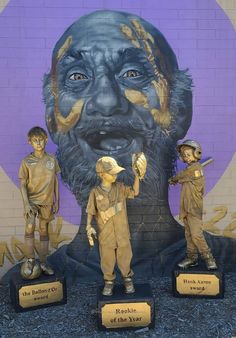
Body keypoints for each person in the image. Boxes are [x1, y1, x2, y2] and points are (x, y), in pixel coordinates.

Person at [86, 154, 146, 296]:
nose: (115, 176)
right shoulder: (95, 192)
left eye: (116, 173)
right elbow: (90, 211)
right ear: (101, 174)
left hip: (122, 233)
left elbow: (135, 192)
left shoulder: (120, 187)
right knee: (107, 258)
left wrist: (137, 176)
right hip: (106, 235)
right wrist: (88, 226)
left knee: (125, 256)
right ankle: (108, 281)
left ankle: (127, 279)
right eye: (111, 173)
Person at [19, 126, 60, 279]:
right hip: (32, 201)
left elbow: (55, 180)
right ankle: (30, 260)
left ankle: (43, 262)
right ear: (30, 142)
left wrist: (57, 200)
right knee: (30, 225)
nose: (38, 143)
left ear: (46, 140)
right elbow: (22, 184)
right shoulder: (26, 161)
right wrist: (26, 204)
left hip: (47, 201)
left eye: (41, 140)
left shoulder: (51, 159)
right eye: (35, 141)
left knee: (44, 229)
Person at [169, 140, 217, 270]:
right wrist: (179, 180)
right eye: (184, 155)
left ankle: (208, 258)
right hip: (186, 208)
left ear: (196, 154)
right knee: (189, 234)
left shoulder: (196, 168)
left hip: (194, 208)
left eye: (188, 155)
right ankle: (192, 258)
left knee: (196, 235)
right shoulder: (189, 170)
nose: (186, 157)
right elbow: (184, 177)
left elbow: (181, 175)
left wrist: (173, 179)